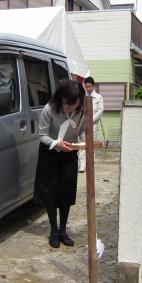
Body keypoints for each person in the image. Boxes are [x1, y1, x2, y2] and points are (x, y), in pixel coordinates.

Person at [33, 79, 87, 248]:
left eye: (74, 104)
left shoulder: (83, 110)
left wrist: (84, 144)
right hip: (50, 152)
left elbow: (83, 131)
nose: (70, 108)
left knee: (67, 191)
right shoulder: (49, 109)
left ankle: (63, 230)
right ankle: (53, 231)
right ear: (60, 99)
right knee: (50, 191)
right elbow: (41, 135)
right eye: (67, 104)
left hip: (70, 152)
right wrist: (57, 143)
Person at [78, 76, 104, 172]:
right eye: (86, 87)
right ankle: (82, 165)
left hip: (93, 125)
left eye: (89, 86)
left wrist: (91, 120)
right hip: (83, 125)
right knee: (82, 144)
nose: (88, 88)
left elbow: (100, 110)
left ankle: (90, 164)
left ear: (93, 86)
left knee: (91, 145)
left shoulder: (98, 97)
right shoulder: (82, 98)